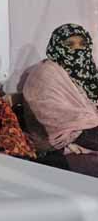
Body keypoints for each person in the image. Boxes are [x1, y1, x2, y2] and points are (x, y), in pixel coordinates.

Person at [22, 24, 98, 176]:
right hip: (66, 132)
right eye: (70, 44)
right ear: (57, 46)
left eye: (82, 44)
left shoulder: (87, 73)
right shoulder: (45, 73)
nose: (77, 49)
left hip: (89, 127)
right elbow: (53, 116)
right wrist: (87, 122)